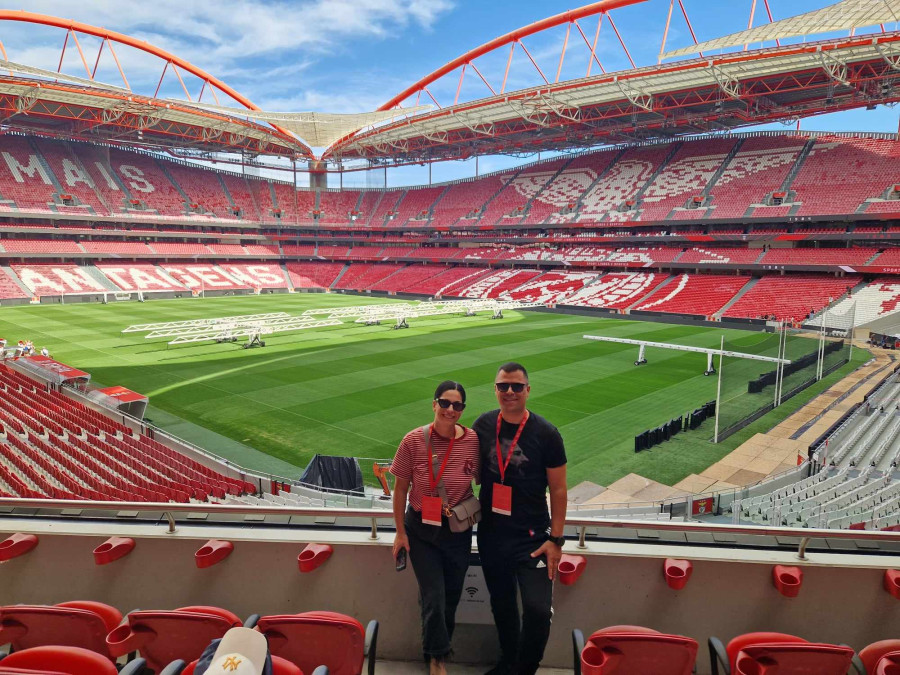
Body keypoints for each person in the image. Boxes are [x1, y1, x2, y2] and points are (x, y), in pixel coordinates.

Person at [474, 362, 567, 675]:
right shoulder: (483, 425)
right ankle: (507, 663)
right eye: (503, 386)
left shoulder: (547, 433)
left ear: (528, 390)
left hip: (533, 538)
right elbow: (465, 467)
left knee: (538, 610)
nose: (509, 392)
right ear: (496, 390)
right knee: (501, 605)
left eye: (516, 386)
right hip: (491, 534)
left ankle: (525, 669)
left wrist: (555, 540)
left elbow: (558, 489)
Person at [391, 381, 481, 675]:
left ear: (463, 410)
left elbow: (484, 479)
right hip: (420, 530)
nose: (450, 410)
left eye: (457, 405)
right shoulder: (413, 441)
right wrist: (400, 534)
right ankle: (437, 659)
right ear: (434, 404)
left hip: (456, 530)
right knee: (434, 596)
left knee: (452, 595)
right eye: (445, 403)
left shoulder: (472, 441)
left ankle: (436, 648)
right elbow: (400, 489)